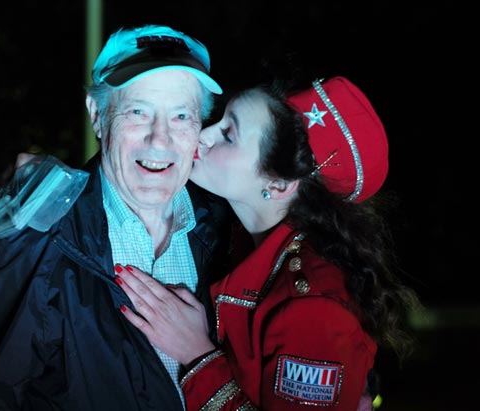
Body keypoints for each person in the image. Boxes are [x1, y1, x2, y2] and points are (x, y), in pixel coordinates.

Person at [0, 24, 234, 411]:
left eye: (180, 116)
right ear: (98, 116)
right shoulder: (38, 238)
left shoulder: (227, 233)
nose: (160, 139)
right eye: (138, 112)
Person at [114, 76, 422, 410]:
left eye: (228, 136)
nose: (203, 136)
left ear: (278, 184)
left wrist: (196, 353)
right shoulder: (238, 238)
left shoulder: (314, 308)